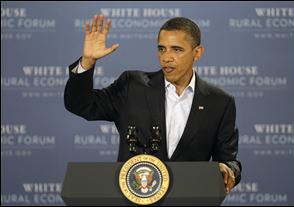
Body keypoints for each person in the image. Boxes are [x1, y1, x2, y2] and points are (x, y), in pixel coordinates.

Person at [64, 14, 241, 193]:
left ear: (197, 52)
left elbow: (229, 160)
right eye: (162, 49)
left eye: (177, 50)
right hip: (134, 198)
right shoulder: (131, 86)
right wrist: (87, 62)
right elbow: (81, 104)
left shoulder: (220, 102)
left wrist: (228, 169)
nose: (166, 57)